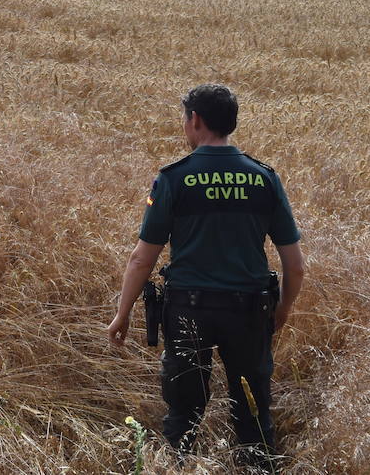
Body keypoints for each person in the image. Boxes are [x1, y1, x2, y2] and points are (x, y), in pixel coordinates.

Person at [106, 84, 305, 470]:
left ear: (195, 120)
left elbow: (141, 259)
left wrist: (123, 312)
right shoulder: (264, 178)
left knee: (183, 415)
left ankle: (180, 466)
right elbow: (294, 265)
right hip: (249, 311)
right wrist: (282, 308)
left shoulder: (173, 179)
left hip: (187, 313)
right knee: (252, 415)